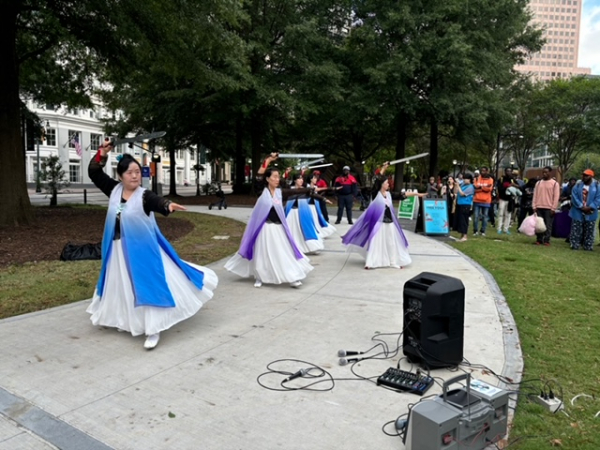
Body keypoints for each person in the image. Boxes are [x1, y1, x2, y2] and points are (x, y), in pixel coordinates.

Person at [87, 140, 218, 350]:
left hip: (142, 252)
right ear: (121, 175)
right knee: (122, 286)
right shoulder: (113, 190)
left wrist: (167, 205)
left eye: (137, 172)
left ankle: (153, 328)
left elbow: (157, 201)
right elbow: (94, 172)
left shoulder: (144, 195)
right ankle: (127, 320)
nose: (135, 176)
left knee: (147, 284)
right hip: (118, 250)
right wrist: (102, 153)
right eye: (130, 172)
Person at [224, 153, 313, 288]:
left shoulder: (280, 192)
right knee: (262, 254)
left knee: (283, 252)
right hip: (264, 228)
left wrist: (310, 190)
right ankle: (260, 276)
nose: (277, 179)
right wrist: (268, 160)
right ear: (268, 179)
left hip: (278, 228)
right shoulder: (262, 191)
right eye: (274, 177)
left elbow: (294, 192)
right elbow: (259, 176)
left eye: (278, 177)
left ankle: (292, 276)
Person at [342, 162, 412, 269]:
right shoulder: (376, 194)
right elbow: (377, 181)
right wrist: (383, 168)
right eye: (386, 183)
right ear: (382, 185)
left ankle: (392, 262)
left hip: (390, 222)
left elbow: (400, 196)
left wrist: (417, 194)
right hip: (378, 222)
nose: (388, 184)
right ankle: (371, 262)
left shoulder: (389, 194)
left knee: (391, 243)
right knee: (375, 243)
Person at [285, 174, 330, 254]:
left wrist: (323, 199)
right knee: (291, 231)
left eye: (302, 179)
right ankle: (290, 247)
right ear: (295, 180)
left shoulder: (306, 190)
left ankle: (309, 247)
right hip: (291, 213)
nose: (301, 180)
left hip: (302, 213)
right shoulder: (290, 189)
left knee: (304, 230)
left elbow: (314, 195)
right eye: (299, 179)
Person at [569, 169, 600, 251]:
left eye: (586, 175)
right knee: (576, 228)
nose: (584, 177)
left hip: (591, 211)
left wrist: (590, 207)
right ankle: (575, 244)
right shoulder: (578, 185)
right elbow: (574, 196)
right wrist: (581, 206)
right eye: (583, 175)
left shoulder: (597, 186)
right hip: (578, 210)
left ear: (591, 176)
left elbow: (598, 198)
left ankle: (588, 246)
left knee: (589, 229)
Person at [532, 166, 560, 246]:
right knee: (539, 225)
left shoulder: (555, 184)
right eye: (543, 172)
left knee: (548, 225)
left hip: (549, 208)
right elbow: (535, 195)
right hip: (539, 207)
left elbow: (556, 197)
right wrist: (534, 206)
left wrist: (553, 208)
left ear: (550, 173)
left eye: (546, 172)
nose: (544, 174)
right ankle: (539, 239)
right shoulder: (538, 183)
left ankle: (546, 240)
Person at [472, 166, 494, 236]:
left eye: (484, 171)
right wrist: (483, 188)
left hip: (486, 201)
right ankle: (475, 230)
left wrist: (480, 188)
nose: (482, 172)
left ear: (487, 171)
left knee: (485, 217)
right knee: (476, 216)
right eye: (481, 171)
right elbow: (474, 189)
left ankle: (483, 231)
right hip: (476, 200)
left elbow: (489, 189)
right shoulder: (476, 178)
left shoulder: (490, 179)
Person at [455, 173, 475, 242]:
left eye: (465, 179)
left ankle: (465, 235)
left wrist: (458, 186)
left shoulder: (471, 187)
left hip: (466, 205)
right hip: (459, 204)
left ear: (469, 180)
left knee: (464, 220)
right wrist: (456, 186)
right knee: (460, 220)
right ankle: (461, 235)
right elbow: (456, 192)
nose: (464, 180)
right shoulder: (462, 185)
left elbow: (462, 194)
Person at [496, 168, 517, 234]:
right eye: (507, 171)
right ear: (505, 172)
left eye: (510, 171)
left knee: (508, 215)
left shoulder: (512, 179)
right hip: (502, 199)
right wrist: (507, 186)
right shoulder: (501, 179)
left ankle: (506, 229)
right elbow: (499, 188)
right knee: (501, 214)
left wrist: (514, 186)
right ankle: (499, 228)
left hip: (510, 200)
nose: (509, 172)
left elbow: (518, 187)